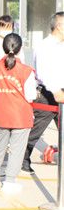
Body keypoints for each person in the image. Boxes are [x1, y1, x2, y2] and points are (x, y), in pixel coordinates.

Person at [0, 33, 37, 194]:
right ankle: (9, 181)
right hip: (20, 116)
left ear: (4, 47)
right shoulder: (27, 70)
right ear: (20, 49)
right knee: (16, 150)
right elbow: (31, 96)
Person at [22, 12, 64, 173]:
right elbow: (43, 71)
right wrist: (56, 91)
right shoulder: (45, 46)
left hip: (61, 92)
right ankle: (23, 158)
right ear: (59, 26)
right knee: (36, 130)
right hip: (48, 94)